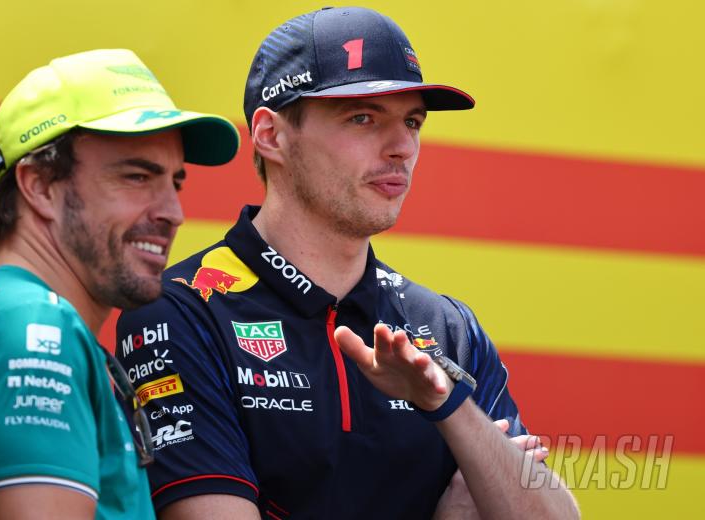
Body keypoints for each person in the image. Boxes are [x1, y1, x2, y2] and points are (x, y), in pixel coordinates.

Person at [117, 7, 579, 519]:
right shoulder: (182, 310)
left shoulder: (447, 328)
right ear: (270, 135)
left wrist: (448, 408)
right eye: (363, 118)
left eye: (412, 121)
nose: (402, 147)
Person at [0, 49, 239, 519]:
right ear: (40, 186)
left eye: (175, 182)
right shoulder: (32, 328)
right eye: (136, 177)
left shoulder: (20, 320)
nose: (173, 212)